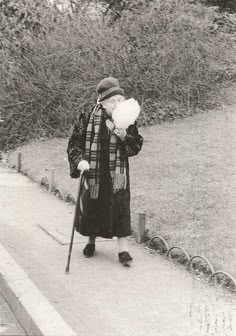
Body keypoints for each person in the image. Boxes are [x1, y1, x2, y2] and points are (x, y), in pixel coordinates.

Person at [67, 77, 143, 267]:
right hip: (94, 172)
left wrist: (125, 136)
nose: (117, 104)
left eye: (120, 100)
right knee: (93, 205)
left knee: (120, 207)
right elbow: (74, 143)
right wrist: (80, 161)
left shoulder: (127, 120)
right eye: (112, 101)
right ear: (101, 102)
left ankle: (123, 249)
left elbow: (136, 145)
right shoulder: (86, 116)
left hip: (117, 174)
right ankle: (91, 241)